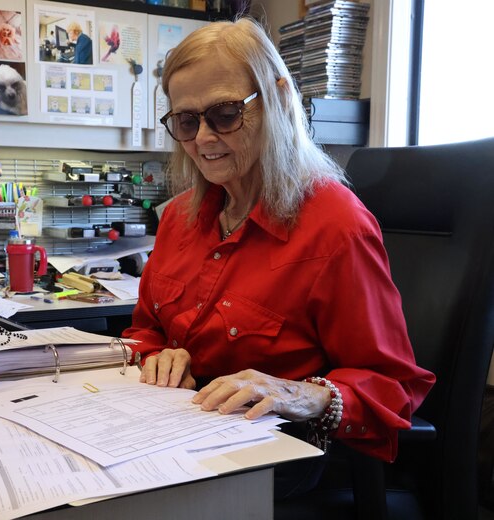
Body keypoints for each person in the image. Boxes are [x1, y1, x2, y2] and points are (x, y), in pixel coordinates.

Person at [122, 17, 435, 493]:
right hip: (180, 432)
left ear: (278, 99)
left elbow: (391, 385)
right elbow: (144, 329)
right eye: (186, 121)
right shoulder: (179, 218)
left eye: (225, 114)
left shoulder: (335, 226)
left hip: (285, 455)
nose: (203, 138)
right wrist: (158, 355)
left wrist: (300, 395)